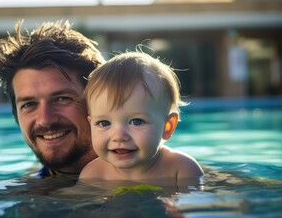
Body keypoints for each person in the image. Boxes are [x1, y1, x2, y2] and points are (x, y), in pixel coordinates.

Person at [0, 20, 105, 177]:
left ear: (101, 102)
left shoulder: (145, 177)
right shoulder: (27, 190)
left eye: (61, 99)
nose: (45, 120)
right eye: (29, 104)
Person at [79, 51, 204, 186]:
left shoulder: (181, 170)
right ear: (90, 124)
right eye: (104, 123)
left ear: (167, 126)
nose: (119, 136)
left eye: (136, 121)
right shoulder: (93, 175)